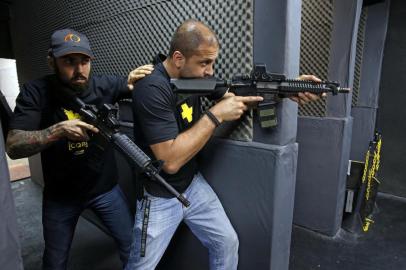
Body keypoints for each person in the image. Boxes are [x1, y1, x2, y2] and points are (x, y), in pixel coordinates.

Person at [125, 19, 322, 270]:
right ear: (178, 58)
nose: (210, 70)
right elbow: (170, 162)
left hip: (192, 185)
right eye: (204, 62)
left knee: (226, 243)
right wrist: (215, 115)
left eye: (213, 62)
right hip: (159, 195)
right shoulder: (151, 88)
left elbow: (235, 95)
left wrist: (288, 88)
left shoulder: (194, 78)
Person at [6, 28, 153, 270]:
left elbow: (131, 84)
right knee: (55, 261)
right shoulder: (36, 92)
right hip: (61, 196)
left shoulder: (105, 84)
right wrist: (58, 130)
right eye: (69, 61)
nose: (79, 69)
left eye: (84, 61)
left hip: (105, 189)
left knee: (132, 247)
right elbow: (13, 145)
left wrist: (140, 78)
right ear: (51, 61)